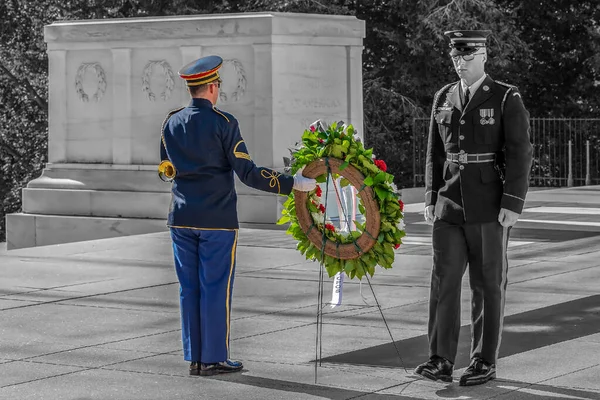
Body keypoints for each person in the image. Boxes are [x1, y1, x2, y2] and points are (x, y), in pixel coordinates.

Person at [158, 55, 316, 376]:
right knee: (215, 287)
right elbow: (247, 173)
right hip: (216, 220)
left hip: (181, 218)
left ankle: (196, 358)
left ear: (193, 88)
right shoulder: (224, 124)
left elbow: (167, 169)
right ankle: (214, 357)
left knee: (189, 288)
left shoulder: (170, 123)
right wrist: (292, 184)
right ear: (213, 87)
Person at [416, 30, 533, 386]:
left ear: (483, 56)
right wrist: (431, 197)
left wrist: (513, 202)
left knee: (487, 285)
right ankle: (440, 359)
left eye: (466, 58)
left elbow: (520, 152)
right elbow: (436, 153)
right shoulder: (444, 97)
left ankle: (484, 360)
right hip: (449, 205)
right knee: (444, 282)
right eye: (455, 58)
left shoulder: (504, 97)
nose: (460, 65)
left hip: (489, 205)